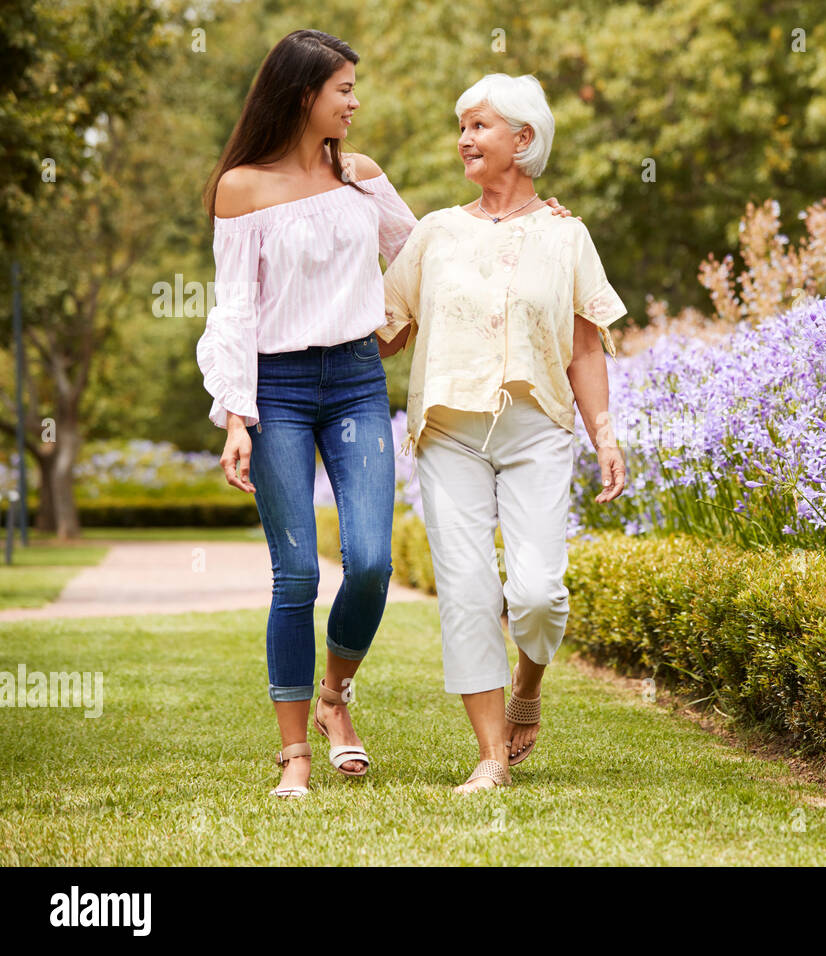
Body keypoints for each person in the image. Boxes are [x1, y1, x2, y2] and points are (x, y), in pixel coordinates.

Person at [196, 33, 572, 798]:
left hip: (359, 382)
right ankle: (295, 754)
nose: (354, 101)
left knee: (369, 563)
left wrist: (530, 218)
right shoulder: (240, 188)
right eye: (342, 88)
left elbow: (441, 251)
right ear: (305, 94)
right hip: (278, 390)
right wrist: (235, 415)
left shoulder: (362, 178)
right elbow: (232, 310)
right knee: (296, 572)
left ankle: (336, 696)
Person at [378, 73, 628, 793]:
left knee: (540, 594)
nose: (464, 138)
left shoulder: (565, 233)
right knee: (465, 589)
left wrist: (604, 436)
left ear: (523, 139)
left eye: (480, 125)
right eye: (462, 125)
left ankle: (530, 682)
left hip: (537, 430)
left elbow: (585, 347)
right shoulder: (436, 233)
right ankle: (490, 757)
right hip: (449, 433)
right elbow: (385, 332)